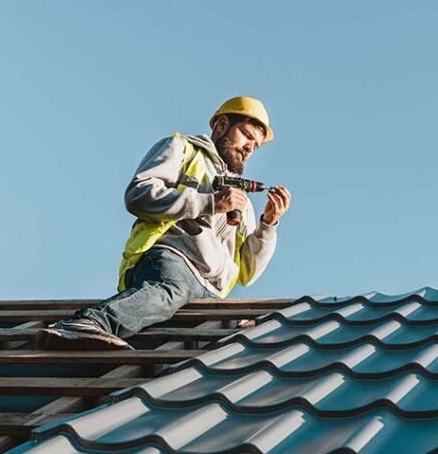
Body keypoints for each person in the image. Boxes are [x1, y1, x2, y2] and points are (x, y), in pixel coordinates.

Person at [36, 96, 291, 350]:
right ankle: (88, 322)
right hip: (173, 261)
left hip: (210, 291)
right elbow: (138, 196)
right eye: (246, 135)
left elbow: (247, 272)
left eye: (255, 145)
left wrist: (268, 225)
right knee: (170, 289)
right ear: (222, 125)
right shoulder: (182, 149)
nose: (249, 147)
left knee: (234, 332)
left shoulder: (241, 202)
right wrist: (210, 203)